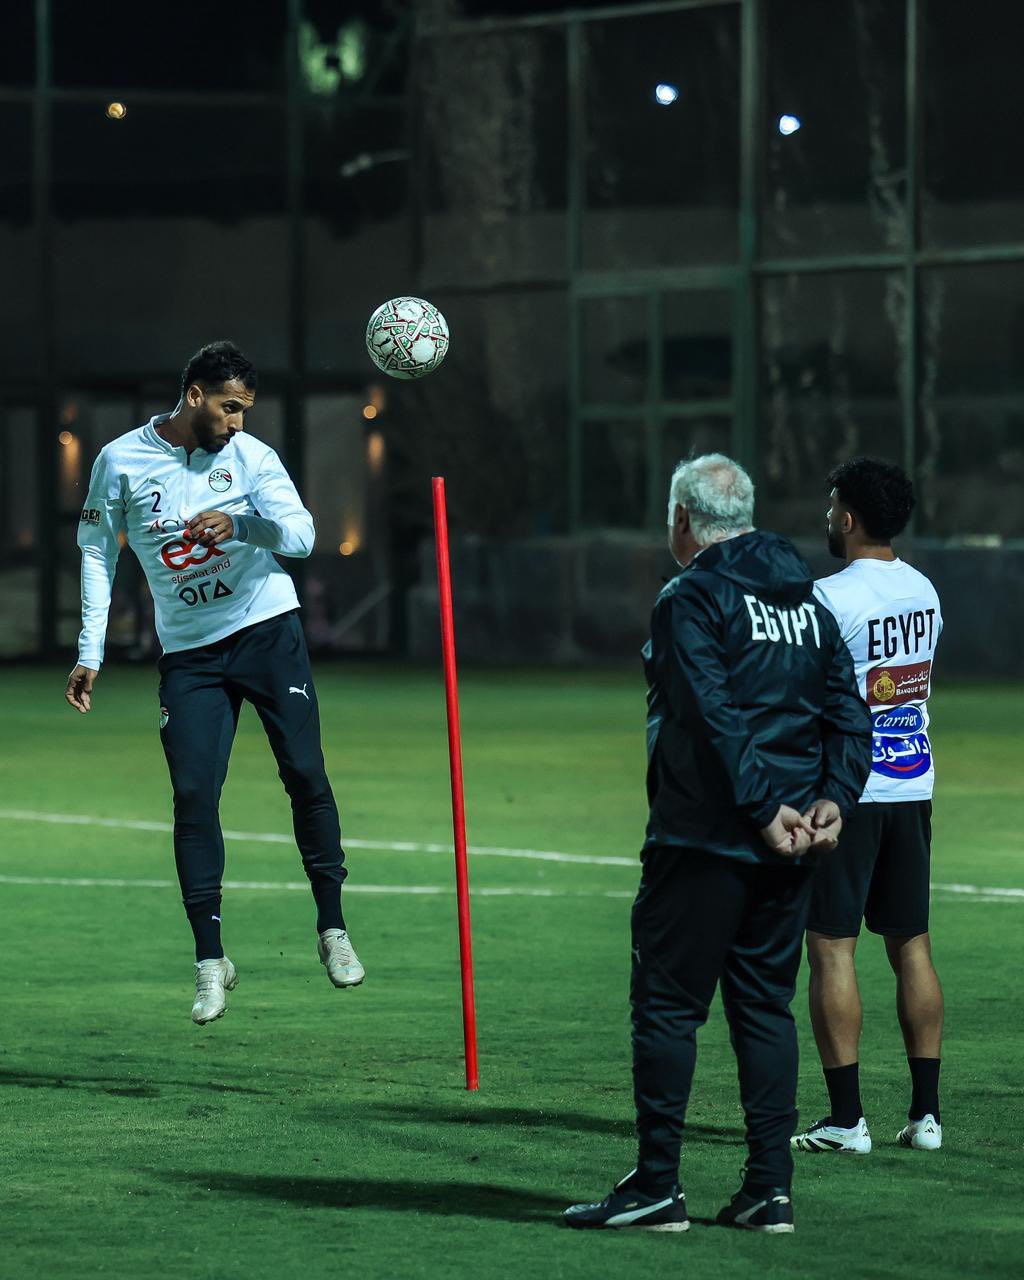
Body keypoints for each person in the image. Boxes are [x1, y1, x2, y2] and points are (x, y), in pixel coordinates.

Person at [564, 453, 871, 1235]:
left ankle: (657, 1187)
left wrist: (764, 808)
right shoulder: (807, 599)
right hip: (791, 847)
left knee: (667, 1008)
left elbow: (710, 711)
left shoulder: (692, 596)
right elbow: (848, 706)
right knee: (765, 1009)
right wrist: (833, 799)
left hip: (703, 839)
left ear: (681, 519)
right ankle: (769, 1188)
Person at [65, 341, 364, 1025]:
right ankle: (210, 961)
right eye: (230, 407)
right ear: (195, 395)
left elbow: (302, 536)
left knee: (306, 773)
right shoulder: (120, 461)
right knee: (195, 795)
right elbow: (96, 553)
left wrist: (242, 524)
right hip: (191, 657)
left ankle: (332, 928)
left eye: (245, 410)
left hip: (267, 633)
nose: (237, 422)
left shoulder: (252, 458)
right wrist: (90, 651)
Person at [792, 458, 944, 1155]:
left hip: (848, 791)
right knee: (911, 944)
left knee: (831, 947)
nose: (828, 517)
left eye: (832, 507)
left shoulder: (828, 598)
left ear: (849, 517)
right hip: (913, 785)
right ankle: (926, 1116)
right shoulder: (924, 591)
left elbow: (802, 693)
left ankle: (847, 1120)